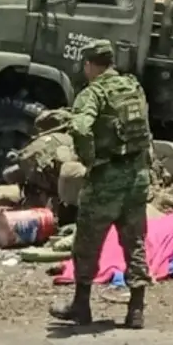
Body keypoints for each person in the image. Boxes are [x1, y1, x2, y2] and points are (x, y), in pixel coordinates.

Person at [49, 39, 153, 329]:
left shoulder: (92, 93)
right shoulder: (132, 88)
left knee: (87, 242)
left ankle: (81, 306)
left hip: (107, 179)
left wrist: (89, 158)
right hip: (136, 177)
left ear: (90, 65)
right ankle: (136, 310)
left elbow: (80, 127)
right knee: (134, 242)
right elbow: (145, 131)